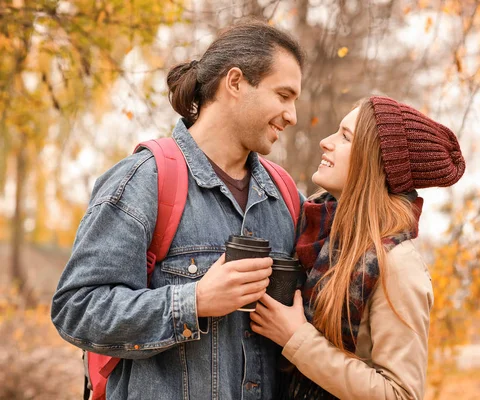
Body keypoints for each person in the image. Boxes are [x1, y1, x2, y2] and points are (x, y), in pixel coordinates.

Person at [51, 21, 304, 400]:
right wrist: (194, 301)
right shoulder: (142, 181)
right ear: (235, 83)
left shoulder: (286, 197)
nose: (293, 115)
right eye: (283, 95)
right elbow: (77, 309)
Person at [250, 96, 466, 399]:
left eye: (345, 137)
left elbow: (401, 394)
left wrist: (296, 338)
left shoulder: (396, 263)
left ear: (374, 162)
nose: (326, 142)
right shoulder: (315, 235)